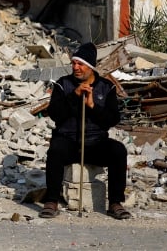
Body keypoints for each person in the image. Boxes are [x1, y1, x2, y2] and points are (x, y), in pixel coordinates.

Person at [39, 42, 132, 219]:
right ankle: (51, 201)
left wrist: (92, 106)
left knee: (118, 151)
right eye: (73, 63)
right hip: (69, 141)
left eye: (80, 64)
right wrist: (74, 96)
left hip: (96, 142)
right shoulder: (62, 84)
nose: (75, 67)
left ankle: (115, 203)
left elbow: (112, 120)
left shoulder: (106, 87)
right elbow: (55, 115)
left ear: (90, 67)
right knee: (55, 149)